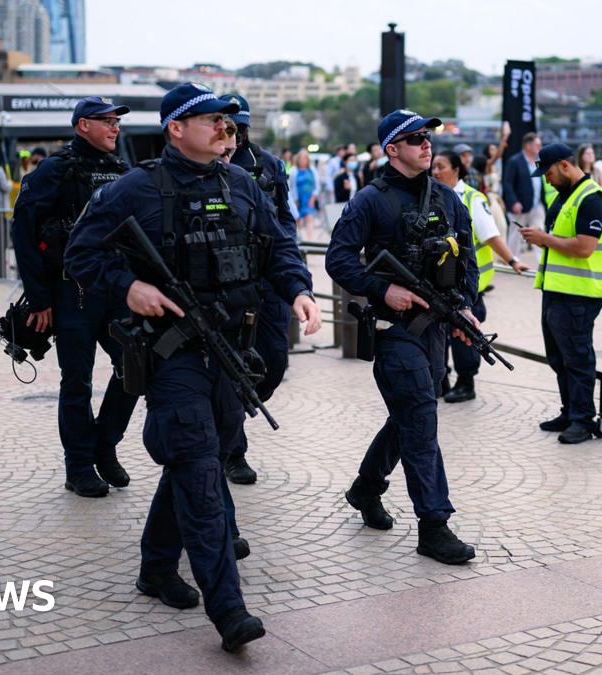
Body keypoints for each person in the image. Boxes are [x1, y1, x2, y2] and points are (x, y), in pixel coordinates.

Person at [64, 83, 321, 652]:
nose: (226, 131)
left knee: (194, 459)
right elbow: (81, 253)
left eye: (229, 124)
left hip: (231, 349)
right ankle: (228, 609)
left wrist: (300, 291)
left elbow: (279, 247)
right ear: (176, 129)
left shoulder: (242, 184)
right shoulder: (135, 188)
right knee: (201, 470)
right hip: (172, 353)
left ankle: (157, 567)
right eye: (213, 122)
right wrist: (128, 287)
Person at [325, 109, 479, 565]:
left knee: (409, 416)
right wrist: (382, 289)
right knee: (420, 420)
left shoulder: (447, 198)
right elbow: (339, 259)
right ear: (392, 149)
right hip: (394, 331)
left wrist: (465, 307)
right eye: (415, 139)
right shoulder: (370, 201)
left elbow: (467, 258)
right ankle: (434, 525)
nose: (426, 144)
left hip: (435, 329)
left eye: (428, 136)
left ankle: (366, 488)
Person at [9, 96, 138, 498]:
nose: (115, 127)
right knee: (77, 381)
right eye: (107, 121)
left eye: (117, 121)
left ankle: (105, 445)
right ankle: (79, 466)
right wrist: (39, 298)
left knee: (135, 366)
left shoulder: (121, 170)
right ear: (83, 125)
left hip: (115, 290)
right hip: (71, 294)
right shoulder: (54, 170)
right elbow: (23, 231)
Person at [218, 93, 301, 487]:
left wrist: (292, 268)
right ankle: (233, 450)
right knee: (229, 363)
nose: (234, 133)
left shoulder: (268, 165)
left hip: (268, 277)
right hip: (226, 282)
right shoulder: (208, 164)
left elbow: (285, 218)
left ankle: (230, 411)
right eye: (227, 125)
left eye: (240, 126)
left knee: (275, 362)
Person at [521, 143, 602, 444]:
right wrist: (542, 239)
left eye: (548, 173)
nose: (547, 180)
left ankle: (583, 420)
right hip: (556, 291)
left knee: (577, 358)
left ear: (563, 165)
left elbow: (585, 247)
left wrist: (544, 239)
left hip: (578, 294)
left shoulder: (591, 197)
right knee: (559, 358)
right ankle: (570, 412)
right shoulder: (564, 196)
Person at [430, 150, 528, 403]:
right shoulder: (430, 195)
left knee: (464, 337)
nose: (435, 172)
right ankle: (442, 380)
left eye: (440, 166)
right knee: (439, 336)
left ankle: (466, 383)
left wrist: (513, 260)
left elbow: (491, 236)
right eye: (433, 167)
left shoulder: (472, 198)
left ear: (456, 170)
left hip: (466, 288)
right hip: (438, 286)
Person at [503, 132, 545, 259]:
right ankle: (513, 260)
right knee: (515, 235)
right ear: (528, 146)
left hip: (537, 205)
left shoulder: (538, 161)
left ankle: (543, 262)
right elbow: (507, 183)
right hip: (519, 206)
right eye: (537, 145)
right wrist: (513, 202)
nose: (540, 147)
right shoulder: (514, 161)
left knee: (540, 232)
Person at [292, 150, 319, 241]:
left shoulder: (312, 170)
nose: (303, 160)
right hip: (298, 199)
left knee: (309, 218)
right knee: (298, 219)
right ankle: (300, 238)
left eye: (305, 158)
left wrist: (313, 198)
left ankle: (309, 239)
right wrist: (295, 200)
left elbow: (316, 186)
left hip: (309, 198)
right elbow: (292, 186)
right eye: (301, 158)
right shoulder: (294, 171)